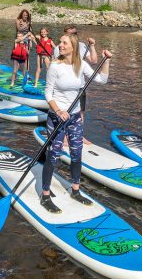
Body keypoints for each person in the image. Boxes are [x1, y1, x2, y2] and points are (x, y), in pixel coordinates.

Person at [40, 34, 112, 213]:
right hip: (57, 117)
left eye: (64, 43)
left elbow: (102, 80)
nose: (60, 45)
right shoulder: (55, 66)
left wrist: (106, 60)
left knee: (76, 153)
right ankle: (45, 195)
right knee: (54, 155)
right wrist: (58, 111)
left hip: (74, 118)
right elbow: (48, 93)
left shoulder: (81, 65)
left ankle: (75, 190)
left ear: (73, 47)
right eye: (60, 42)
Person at [9, 9, 35, 87]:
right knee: (16, 54)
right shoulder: (18, 20)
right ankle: (15, 74)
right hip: (19, 37)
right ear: (22, 14)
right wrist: (27, 24)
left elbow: (31, 31)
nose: (25, 16)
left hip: (27, 39)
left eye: (26, 15)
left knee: (26, 57)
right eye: (24, 14)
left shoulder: (29, 22)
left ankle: (26, 74)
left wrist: (31, 40)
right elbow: (19, 29)